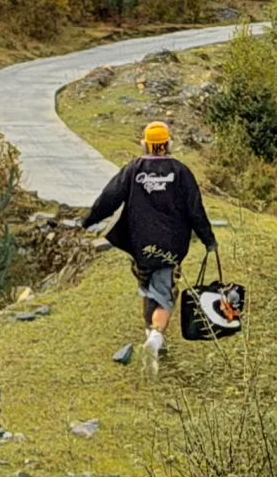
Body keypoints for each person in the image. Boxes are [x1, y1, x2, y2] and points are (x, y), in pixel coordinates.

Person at [81, 120, 215, 373]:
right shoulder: (181, 171)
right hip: (171, 247)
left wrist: (88, 220)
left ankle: (151, 333)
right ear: (167, 144)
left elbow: (109, 198)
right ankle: (155, 338)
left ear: (146, 144)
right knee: (164, 293)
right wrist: (208, 239)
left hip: (141, 246)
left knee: (148, 287)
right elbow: (195, 210)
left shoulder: (134, 170)